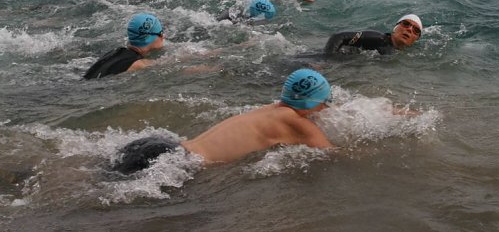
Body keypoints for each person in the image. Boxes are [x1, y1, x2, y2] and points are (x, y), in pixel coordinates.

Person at [111, 68, 334, 173]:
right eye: (326, 102)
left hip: (162, 145)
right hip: (178, 163)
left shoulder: (271, 109)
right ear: (311, 102)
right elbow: (331, 153)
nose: (326, 108)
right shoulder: (297, 123)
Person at [83, 13, 165, 79]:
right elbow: (169, 62)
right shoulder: (139, 64)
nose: (163, 37)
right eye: (161, 33)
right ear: (150, 38)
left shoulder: (114, 52)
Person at [324, 14, 423, 55]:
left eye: (416, 30)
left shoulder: (406, 54)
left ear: (416, 39)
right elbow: (339, 37)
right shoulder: (378, 38)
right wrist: (328, 59)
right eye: (406, 24)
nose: (410, 29)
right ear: (395, 28)